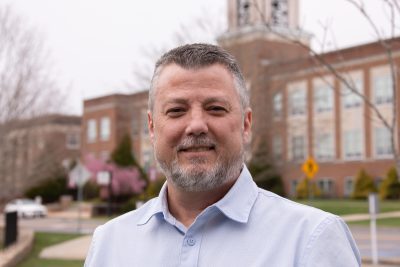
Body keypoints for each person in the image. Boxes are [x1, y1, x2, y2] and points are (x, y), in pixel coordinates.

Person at [85, 43, 361, 267]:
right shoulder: (110, 243)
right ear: (152, 127)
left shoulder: (312, 238)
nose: (195, 125)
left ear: (246, 124)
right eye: (176, 110)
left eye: (215, 108)